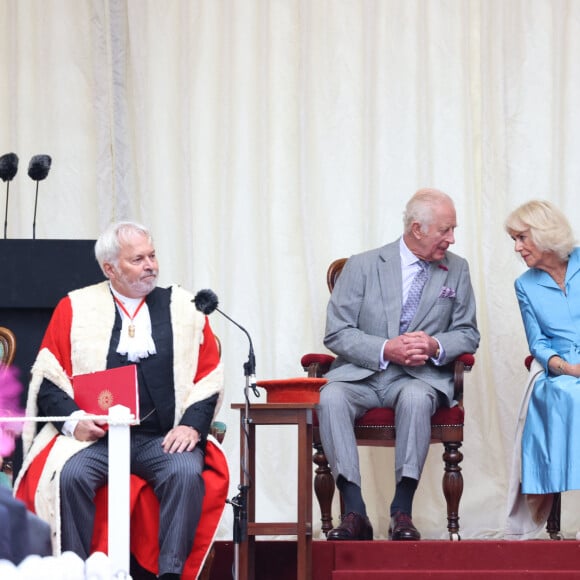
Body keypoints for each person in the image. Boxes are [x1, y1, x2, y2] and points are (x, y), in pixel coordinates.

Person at [13, 221, 229, 579]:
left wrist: (192, 424)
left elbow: (209, 376)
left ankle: (171, 574)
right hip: (97, 440)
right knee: (70, 476)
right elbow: (49, 379)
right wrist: (74, 421)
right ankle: (76, 571)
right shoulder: (75, 307)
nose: (151, 266)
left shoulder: (185, 308)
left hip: (159, 438)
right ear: (109, 268)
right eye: (138, 259)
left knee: (186, 472)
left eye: (152, 255)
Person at [317, 188, 480, 541]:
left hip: (418, 379)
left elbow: (468, 333)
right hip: (361, 374)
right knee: (329, 398)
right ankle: (355, 511)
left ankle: (401, 511)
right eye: (445, 230)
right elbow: (336, 333)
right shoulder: (362, 265)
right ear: (417, 229)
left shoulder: (457, 270)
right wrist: (385, 349)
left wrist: (435, 345)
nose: (452, 239)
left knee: (416, 399)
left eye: (454, 230)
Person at [504, 200, 580, 538]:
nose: (518, 247)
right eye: (514, 240)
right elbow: (538, 343)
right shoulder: (526, 285)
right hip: (561, 372)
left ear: (545, 234)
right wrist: (566, 368)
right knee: (565, 396)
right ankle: (551, 518)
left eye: (522, 237)